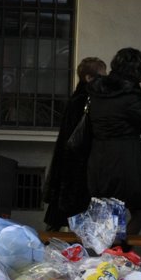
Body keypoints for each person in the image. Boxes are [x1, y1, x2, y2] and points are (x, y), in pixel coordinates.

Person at [84, 47, 141, 237]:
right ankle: (119, 250)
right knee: (140, 212)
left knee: (108, 212)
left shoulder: (97, 91)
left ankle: (111, 253)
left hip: (99, 157)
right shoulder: (131, 96)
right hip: (126, 158)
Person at [42, 56, 107, 231]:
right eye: (101, 76)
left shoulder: (77, 99)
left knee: (61, 214)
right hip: (80, 162)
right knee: (75, 211)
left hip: (69, 162)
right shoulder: (88, 100)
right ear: (89, 78)